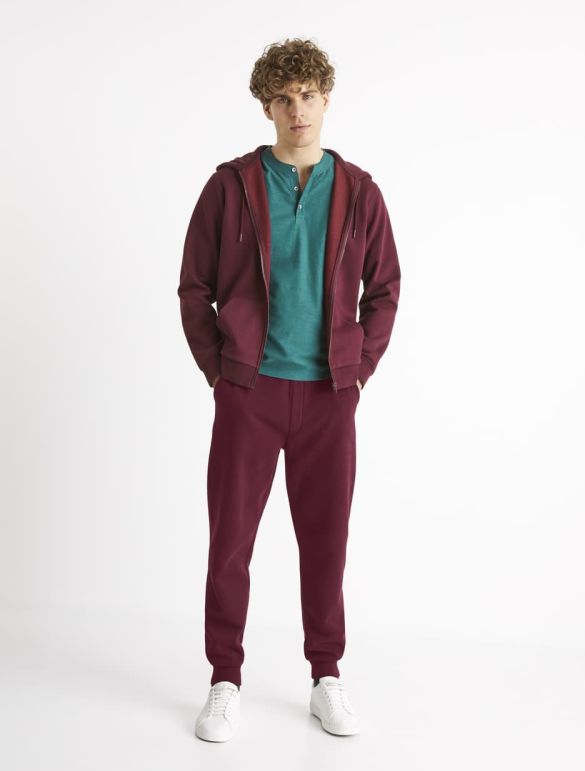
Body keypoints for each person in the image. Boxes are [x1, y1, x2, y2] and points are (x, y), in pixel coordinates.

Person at [177, 37, 401, 742]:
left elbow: (385, 290)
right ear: (266, 107)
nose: (297, 109)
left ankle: (325, 675)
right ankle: (224, 679)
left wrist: (358, 369)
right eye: (283, 98)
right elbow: (194, 287)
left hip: (329, 396)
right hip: (250, 392)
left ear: (326, 99)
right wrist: (220, 370)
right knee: (230, 542)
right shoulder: (231, 187)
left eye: (307, 95)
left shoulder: (360, 191)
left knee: (326, 541)